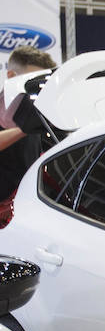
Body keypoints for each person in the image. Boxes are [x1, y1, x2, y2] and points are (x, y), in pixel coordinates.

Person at [1, 46, 59, 223]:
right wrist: (23, 129)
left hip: (26, 212)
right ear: (11, 76)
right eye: (32, 80)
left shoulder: (39, 111)